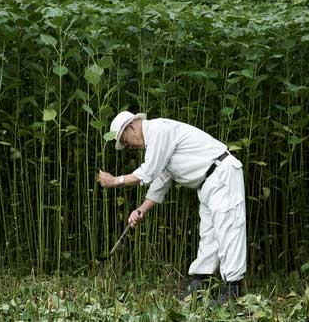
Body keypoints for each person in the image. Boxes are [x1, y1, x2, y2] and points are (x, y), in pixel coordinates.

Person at [99, 111, 246, 304]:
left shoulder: (158, 129)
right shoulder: (157, 142)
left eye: (125, 141)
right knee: (209, 235)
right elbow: (161, 179)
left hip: (222, 174)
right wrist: (141, 209)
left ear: (132, 127)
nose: (128, 147)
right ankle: (198, 287)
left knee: (229, 230)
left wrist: (116, 181)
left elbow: (148, 172)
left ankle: (232, 292)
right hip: (208, 182)